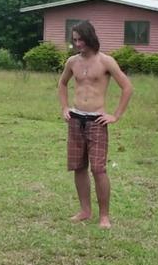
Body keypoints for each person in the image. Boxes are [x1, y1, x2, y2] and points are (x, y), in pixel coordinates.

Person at [57, 21, 133, 229]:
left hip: (97, 121)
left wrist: (115, 115)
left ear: (90, 38)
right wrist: (65, 107)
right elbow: (62, 83)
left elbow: (127, 87)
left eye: (81, 39)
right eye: (74, 40)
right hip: (75, 119)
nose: (78, 44)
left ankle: (104, 216)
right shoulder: (72, 61)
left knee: (98, 169)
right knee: (78, 167)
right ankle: (85, 211)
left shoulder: (106, 61)